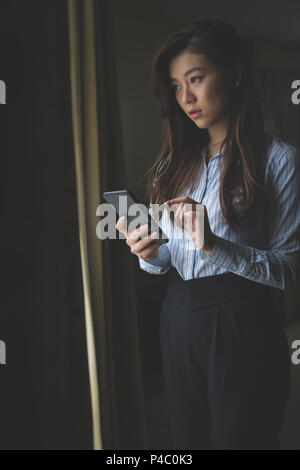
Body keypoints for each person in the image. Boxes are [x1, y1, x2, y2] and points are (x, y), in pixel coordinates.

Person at [116, 19, 300, 450]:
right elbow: (166, 262)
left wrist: (216, 245)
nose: (186, 98)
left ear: (234, 73)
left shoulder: (280, 161)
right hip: (177, 322)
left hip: (244, 325)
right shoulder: (170, 167)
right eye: (177, 86)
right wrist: (146, 252)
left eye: (196, 79)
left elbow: (290, 271)